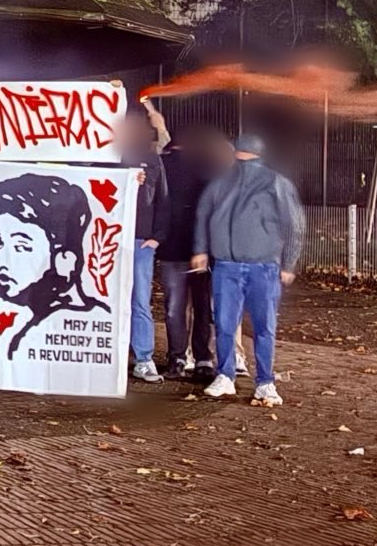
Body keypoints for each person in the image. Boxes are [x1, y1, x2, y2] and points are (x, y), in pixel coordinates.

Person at [192, 132, 304, 407]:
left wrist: (201, 250)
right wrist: (288, 263)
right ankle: (262, 382)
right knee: (260, 326)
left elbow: (202, 215)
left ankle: (232, 377)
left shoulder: (221, 182)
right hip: (258, 266)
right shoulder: (276, 182)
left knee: (227, 324)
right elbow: (294, 225)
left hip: (234, 266)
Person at [0, 170, 109, 359]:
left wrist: (133, 179)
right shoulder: (28, 323)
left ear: (64, 257)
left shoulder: (74, 322)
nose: (2, 262)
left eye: (21, 246)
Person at [158, 124, 223, 379]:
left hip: (171, 247)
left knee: (175, 307)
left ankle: (177, 357)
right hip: (203, 249)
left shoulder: (160, 165)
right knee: (202, 306)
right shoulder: (209, 167)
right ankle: (203, 359)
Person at [119, 108, 171, 383]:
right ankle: (110, 355)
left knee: (139, 300)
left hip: (140, 243)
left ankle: (143, 358)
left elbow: (163, 200)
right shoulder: (107, 158)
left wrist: (157, 237)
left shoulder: (151, 160)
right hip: (109, 240)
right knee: (108, 300)